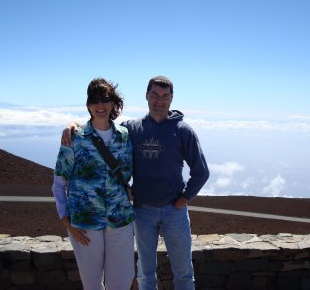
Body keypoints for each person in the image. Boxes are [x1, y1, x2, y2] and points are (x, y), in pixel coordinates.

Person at [63, 75, 209, 290]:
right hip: (142, 212)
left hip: (173, 211)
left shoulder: (182, 131)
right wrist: (72, 125)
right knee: (145, 274)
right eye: (154, 95)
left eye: (164, 96)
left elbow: (201, 171)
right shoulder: (132, 129)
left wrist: (184, 199)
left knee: (184, 273)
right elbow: (102, 128)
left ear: (171, 98)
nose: (159, 100)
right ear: (146, 96)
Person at [52, 77, 135, 290]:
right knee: (92, 285)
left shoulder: (124, 136)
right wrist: (66, 222)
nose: (100, 105)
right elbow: (59, 184)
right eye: (95, 100)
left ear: (113, 103)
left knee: (122, 283)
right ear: (88, 105)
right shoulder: (75, 138)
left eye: (105, 99)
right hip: (85, 223)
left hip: (120, 220)